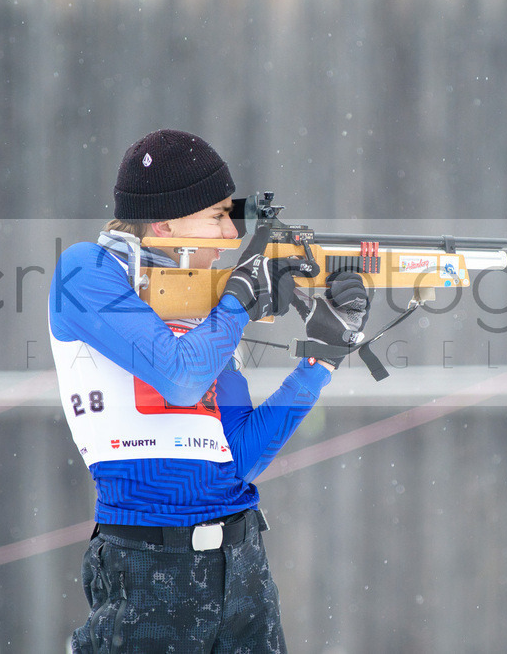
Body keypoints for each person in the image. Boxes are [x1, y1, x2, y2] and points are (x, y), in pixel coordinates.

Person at [49, 129, 370, 652]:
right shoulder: (86, 271)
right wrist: (238, 303)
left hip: (242, 568)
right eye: (219, 215)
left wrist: (321, 359)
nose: (230, 234)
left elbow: (236, 457)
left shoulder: (207, 308)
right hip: (147, 570)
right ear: (164, 222)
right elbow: (181, 377)